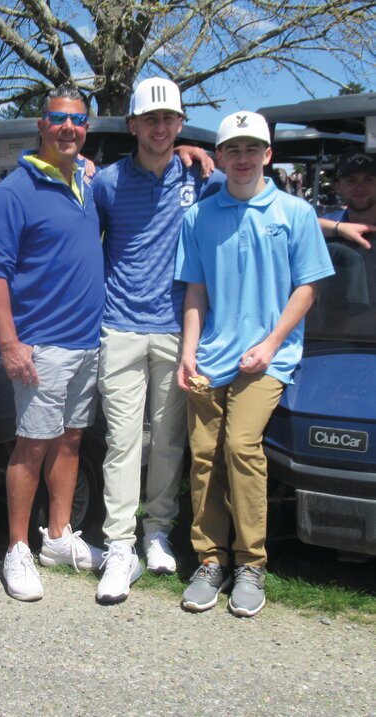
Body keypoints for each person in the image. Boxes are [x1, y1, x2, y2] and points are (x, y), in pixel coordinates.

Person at [174, 111, 334, 617]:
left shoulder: (295, 213)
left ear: (268, 155)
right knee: (203, 455)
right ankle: (209, 560)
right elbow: (195, 291)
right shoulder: (199, 216)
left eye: (252, 150)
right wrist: (187, 351)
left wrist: (270, 345)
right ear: (220, 158)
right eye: (232, 151)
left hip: (267, 358)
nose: (242, 159)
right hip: (211, 356)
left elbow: (306, 289)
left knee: (241, 447)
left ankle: (250, 562)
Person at [91, 78, 224, 604]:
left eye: (170, 119)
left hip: (177, 329)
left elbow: (258, 199)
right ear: (133, 126)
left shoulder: (201, 175)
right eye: (152, 119)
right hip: (120, 325)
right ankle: (120, 545)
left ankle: (158, 532)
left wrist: (336, 224)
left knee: (169, 441)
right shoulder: (106, 182)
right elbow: (89, 233)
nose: (162, 127)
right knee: (123, 445)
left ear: (179, 124)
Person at [0, 84, 106, 602]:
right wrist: (9, 342)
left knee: (71, 440)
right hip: (41, 346)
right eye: (58, 119)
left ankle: (56, 537)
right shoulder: (14, 192)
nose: (68, 128)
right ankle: (16, 548)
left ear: (86, 127)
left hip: (85, 342)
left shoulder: (86, 182)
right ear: (41, 125)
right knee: (31, 446)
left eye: (77, 120)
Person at [318, 151, 376, 250]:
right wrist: (338, 228)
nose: (360, 187)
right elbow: (298, 227)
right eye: (351, 180)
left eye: (368, 179)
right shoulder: (333, 221)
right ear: (338, 187)